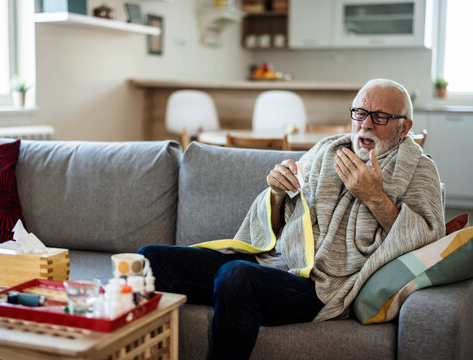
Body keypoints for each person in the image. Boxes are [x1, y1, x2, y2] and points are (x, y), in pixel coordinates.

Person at [138, 79, 445, 360]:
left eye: (379, 117)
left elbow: (429, 239)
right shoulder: (327, 151)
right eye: (359, 113)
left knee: (237, 277)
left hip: (321, 286)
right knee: (148, 260)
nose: (364, 125)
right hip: (275, 262)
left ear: (404, 127)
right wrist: (276, 191)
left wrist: (374, 196)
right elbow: (283, 211)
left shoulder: (420, 170)